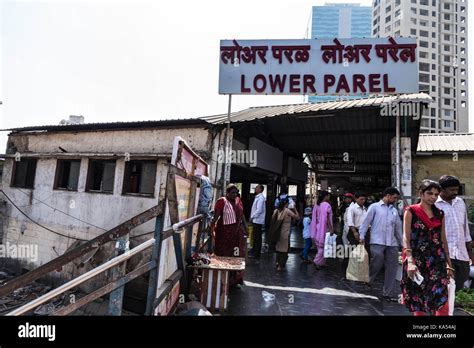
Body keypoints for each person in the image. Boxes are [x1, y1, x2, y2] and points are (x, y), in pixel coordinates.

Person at [401, 180, 455, 316]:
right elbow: (406, 238)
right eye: (430, 193)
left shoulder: (440, 214)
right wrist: (410, 261)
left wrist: (449, 264)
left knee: (442, 299)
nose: (433, 197)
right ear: (421, 193)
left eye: (436, 194)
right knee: (419, 300)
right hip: (417, 260)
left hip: (437, 259)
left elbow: (443, 239)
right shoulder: (411, 211)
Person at [359, 187, 402, 302]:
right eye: (394, 197)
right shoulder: (374, 207)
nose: (396, 199)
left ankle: (387, 293)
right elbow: (366, 222)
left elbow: (398, 228)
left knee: (392, 267)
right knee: (377, 260)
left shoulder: (394, 211)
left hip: (392, 243)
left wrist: (403, 243)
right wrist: (362, 236)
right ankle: (369, 279)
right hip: (377, 240)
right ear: (388, 195)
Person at [435, 175, 473, 291]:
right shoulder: (435, 205)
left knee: (459, 285)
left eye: (457, 189)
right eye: (452, 190)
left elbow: (465, 225)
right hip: (444, 253)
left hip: (461, 254)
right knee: (444, 288)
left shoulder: (460, 202)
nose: (455, 192)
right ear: (441, 189)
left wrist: (469, 249)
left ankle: (451, 308)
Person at [211, 184, 246, 286]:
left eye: (236, 192)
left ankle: (234, 279)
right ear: (227, 193)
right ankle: (222, 279)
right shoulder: (222, 201)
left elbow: (242, 214)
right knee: (223, 254)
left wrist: (245, 226)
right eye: (232, 192)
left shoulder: (238, 201)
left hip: (236, 233)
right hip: (224, 233)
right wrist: (211, 226)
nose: (235, 194)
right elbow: (216, 216)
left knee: (236, 254)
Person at [268, 197, 300, 271]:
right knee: (285, 250)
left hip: (277, 233)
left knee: (278, 248)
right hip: (285, 233)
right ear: (286, 204)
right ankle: (280, 266)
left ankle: (277, 262)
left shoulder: (276, 211)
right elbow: (297, 217)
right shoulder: (287, 211)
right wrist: (295, 208)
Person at [341, 192, 367, 280]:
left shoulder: (364, 209)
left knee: (363, 254)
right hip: (353, 232)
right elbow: (350, 222)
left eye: (364, 199)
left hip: (363, 232)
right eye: (361, 199)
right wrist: (355, 232)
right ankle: (345, 274)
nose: (363, 201)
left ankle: (360, 274)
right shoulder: (351, 208)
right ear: (356, 199)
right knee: (349, 253)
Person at [310, 191, 334, 270]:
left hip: (317, 227)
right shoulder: (327, 205)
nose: (329, 197)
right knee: (324, 246)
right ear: (326, 196)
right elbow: (327, 219)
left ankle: (322, 262)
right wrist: (331, 228)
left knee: (320, 245)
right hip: (325, 228)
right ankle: (316, 261)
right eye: (328, 196)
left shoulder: (317, 205)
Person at [249, 184, 266, 258]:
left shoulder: (261, 198)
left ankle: (256, 253)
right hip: (256, 219)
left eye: (256, 188)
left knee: (257, 237)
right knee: (255, 236)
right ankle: (254, 250)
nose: (255, 189)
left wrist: (252, 216)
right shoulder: (258, 197)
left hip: (258, 220)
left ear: (260, 189)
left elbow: (259, 210)